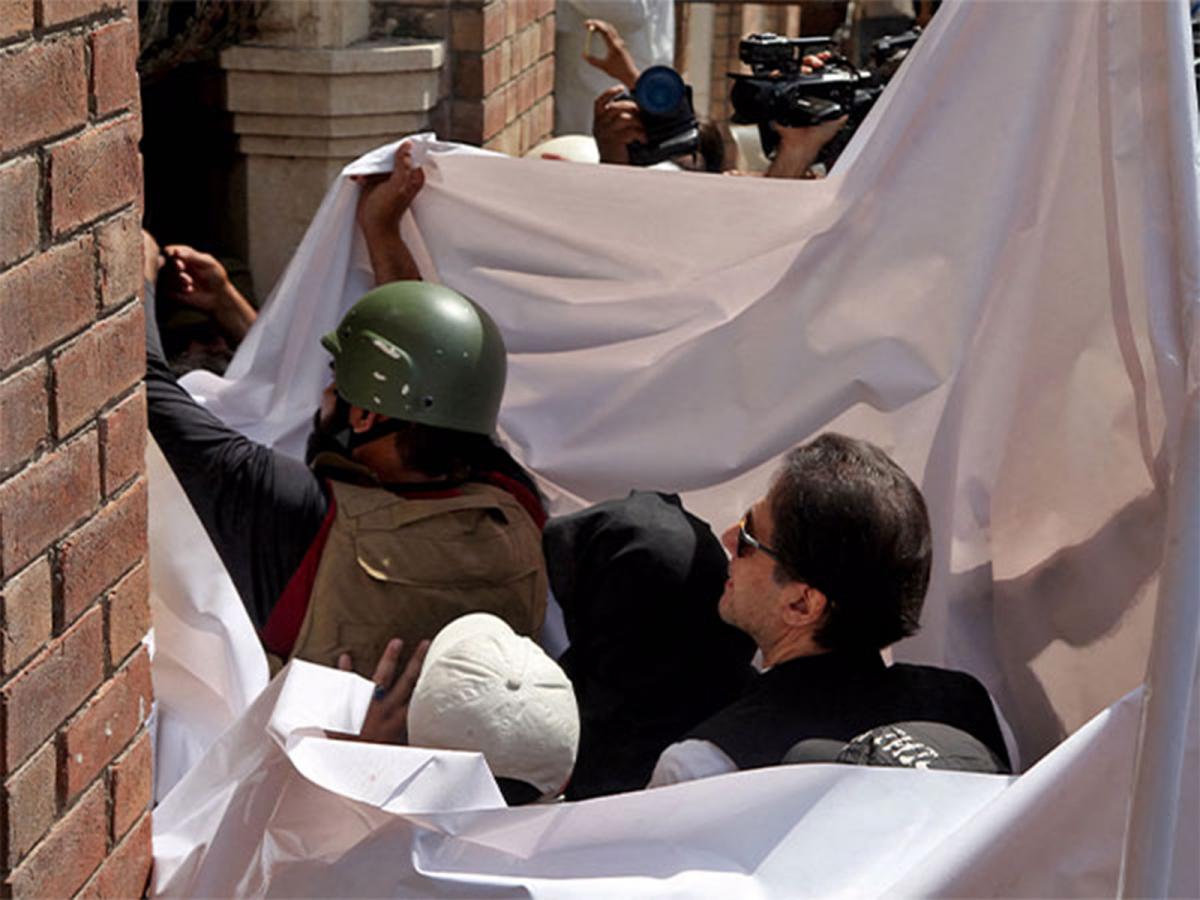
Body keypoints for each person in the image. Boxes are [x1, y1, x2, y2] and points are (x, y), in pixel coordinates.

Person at [145, 142, 549, 677]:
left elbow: (150, 392)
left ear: (366, 417)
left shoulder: (300, 515)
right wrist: (381, 231)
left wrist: (136, 268)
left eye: (336, 380)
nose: (324, 393)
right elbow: (439, 362)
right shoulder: (517, 502)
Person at [647, 433, 1011, 786]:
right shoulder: (973, 707)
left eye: (747, 536)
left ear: (801, 604)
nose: (728, 538)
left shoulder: (702, 767)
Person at [332, 613, 580, 806]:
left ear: (409, 745)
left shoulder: (360, 850)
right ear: (564, 781)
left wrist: (353, 769)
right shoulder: (596, 850)